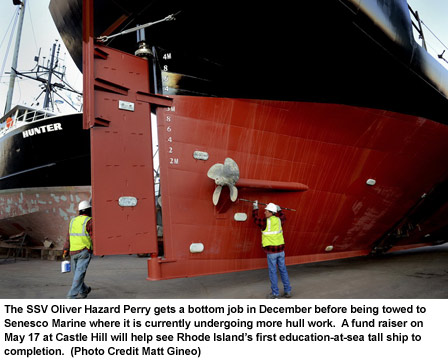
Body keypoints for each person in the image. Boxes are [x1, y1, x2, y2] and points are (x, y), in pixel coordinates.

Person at [253, 201, 292, 299]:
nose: (264, 212)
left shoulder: (265, 222)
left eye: (266, 211)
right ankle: (288, 291)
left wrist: (255, 207)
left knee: (273, 272)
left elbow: (255, 219)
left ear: (271, 212)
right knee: (283, 270)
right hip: (281, 251)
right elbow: (283, 216)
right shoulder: (279, 220)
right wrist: (280, 209)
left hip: (271, 253)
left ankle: (275, 293)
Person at [63, 200, 93, 299]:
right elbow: (94, 237)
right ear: (89, 210)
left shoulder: (72, 221)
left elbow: (68, 237)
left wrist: (65, 250)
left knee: (77, 274)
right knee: (79, 274)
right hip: (84, 251)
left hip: (73, 252)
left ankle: (84, 291)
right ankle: (72, 295)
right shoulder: (89, 221)